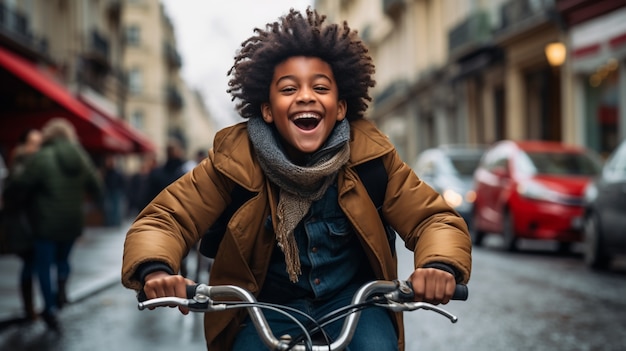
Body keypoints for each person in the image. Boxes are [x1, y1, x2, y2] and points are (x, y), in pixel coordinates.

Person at [121, 7, 471, 351]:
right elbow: (165, 218)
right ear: (268, 110)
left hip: (354, 303)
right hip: (266, 306)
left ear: (341, 106)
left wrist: (437, 265)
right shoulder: (233, 162)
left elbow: (434, 218)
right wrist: (156, 269)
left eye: (320, 87)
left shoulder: (372, 158)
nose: (305, 96)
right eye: (289, 89)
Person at [12, 118, 103, 331]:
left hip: (45, 222)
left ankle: (50, 308)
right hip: (73, 221)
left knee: (44, 266)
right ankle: (62, 284)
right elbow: (97, 186)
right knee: (63, 260)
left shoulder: (42, 157)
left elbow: (22, 184)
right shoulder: (81, 156)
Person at [1, 128, 42, 321]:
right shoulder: (21, 164)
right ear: (25, 145)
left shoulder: (31, 163)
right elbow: (15, 193)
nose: (37, 147)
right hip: (22, 224)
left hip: (30, 222)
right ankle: (29, 308)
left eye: (39, 143)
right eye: (33, 143)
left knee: (31, 264)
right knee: (29, 263)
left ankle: (31, 306)